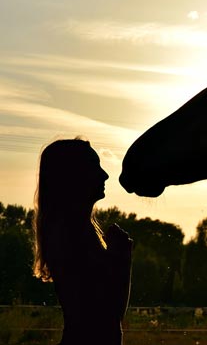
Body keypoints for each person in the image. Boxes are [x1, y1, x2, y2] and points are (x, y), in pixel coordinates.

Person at [32, 137, 133, 345]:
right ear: (74, 175)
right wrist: (122, 257)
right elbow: (111, 314)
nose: (104, 175)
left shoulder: (66, 231)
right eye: (94, 167)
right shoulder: (72, 236)